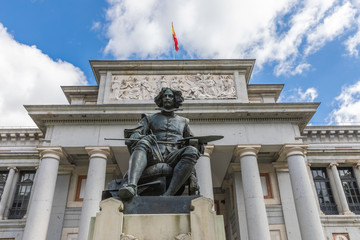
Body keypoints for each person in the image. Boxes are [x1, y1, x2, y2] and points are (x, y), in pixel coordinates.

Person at [118, 88, 201, 199]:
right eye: (164, 96)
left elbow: (192, 140)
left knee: (192, 150)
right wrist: (141, 136)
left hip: (174, 156)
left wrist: (196, 143)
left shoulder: (184, 122)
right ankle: (131, 186)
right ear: (160, 99)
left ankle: (168, 194)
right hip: (154, 155)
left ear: (175, 99)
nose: (167, 98)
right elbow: (134, 134)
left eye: (170, 96)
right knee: (143, 142)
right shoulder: (149, 118)